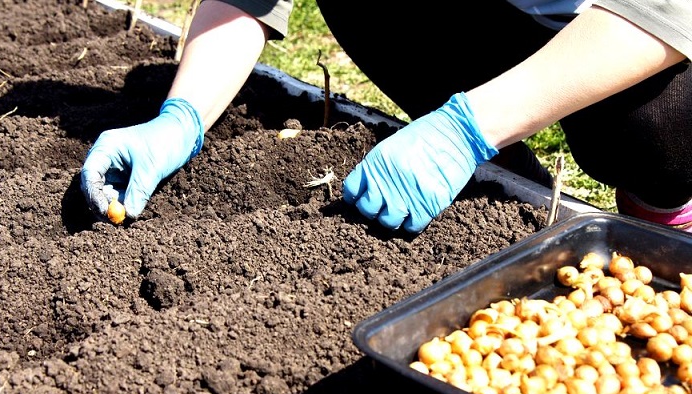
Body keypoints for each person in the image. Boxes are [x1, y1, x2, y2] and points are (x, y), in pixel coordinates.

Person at [80, 0, 692, 233]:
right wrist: (180, 116)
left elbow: (667, 11)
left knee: (650, 129)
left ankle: (664, 204)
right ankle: (503, 182)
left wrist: (466, 128)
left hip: (634, 32)